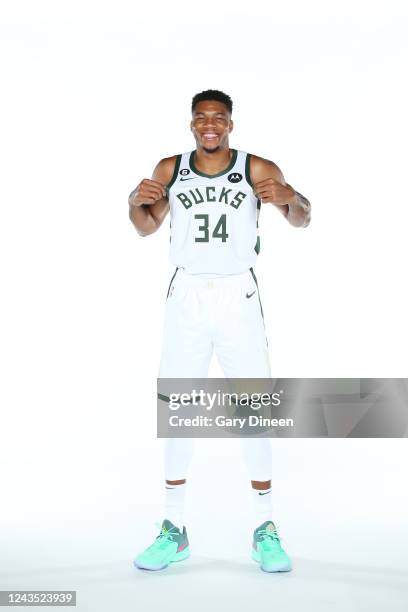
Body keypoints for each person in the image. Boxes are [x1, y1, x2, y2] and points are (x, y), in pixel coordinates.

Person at [128, 89, 311, 573]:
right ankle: (173, 529)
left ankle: (264, 528)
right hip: (186, 295)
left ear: (231, 123)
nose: (210, 125)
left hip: (237, 297)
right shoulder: (171, 167)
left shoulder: (258, 168)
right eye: (201, 118)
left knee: (254, 409)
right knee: (178, 410)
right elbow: (145, 227)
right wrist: (132, 200)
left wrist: (293, 197)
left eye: (219, 118)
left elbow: (302, 219)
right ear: (191, 124)